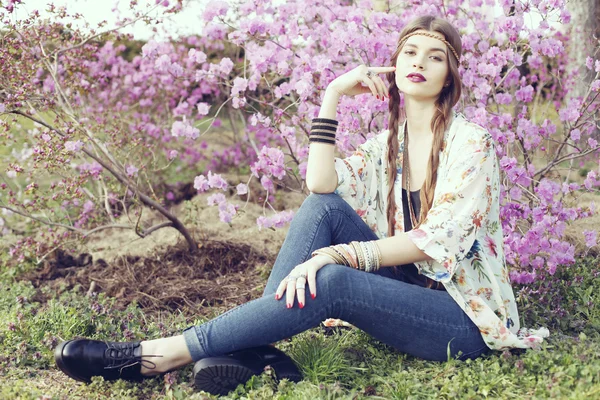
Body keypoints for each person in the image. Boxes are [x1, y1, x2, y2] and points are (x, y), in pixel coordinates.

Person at [54, 14, 549, 396]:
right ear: (392, 66)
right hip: (405, 294)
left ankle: (158, 355)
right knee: (322, 209)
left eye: (435, 56)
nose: (418, 62)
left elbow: (438, 239)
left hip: (460, 318)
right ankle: (252, 351)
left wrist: (343, 255)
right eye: (409, 52)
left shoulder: (472, 143)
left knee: (331, 276)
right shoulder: (388, 146)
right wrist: (332, 95)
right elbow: (320, 184)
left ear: (450, 74)